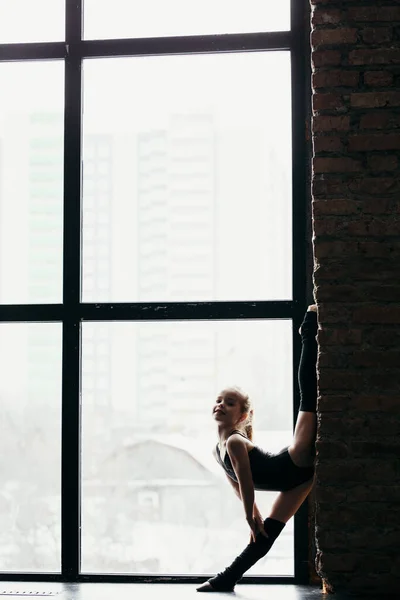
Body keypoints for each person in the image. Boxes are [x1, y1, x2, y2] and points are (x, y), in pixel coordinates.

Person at [196, 305, 318, 592]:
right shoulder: (217, 450)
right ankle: (226, 579)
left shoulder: (236, 442)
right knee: (264, 537)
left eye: (230, 402)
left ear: (242, 416)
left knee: (308, 398)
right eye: (219, 400)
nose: (221, 405)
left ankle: (309, 328)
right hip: (296, 481)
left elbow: (247, 482)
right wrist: (255, 517)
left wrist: (250, 515)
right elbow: (238, 487)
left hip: (294, 461)